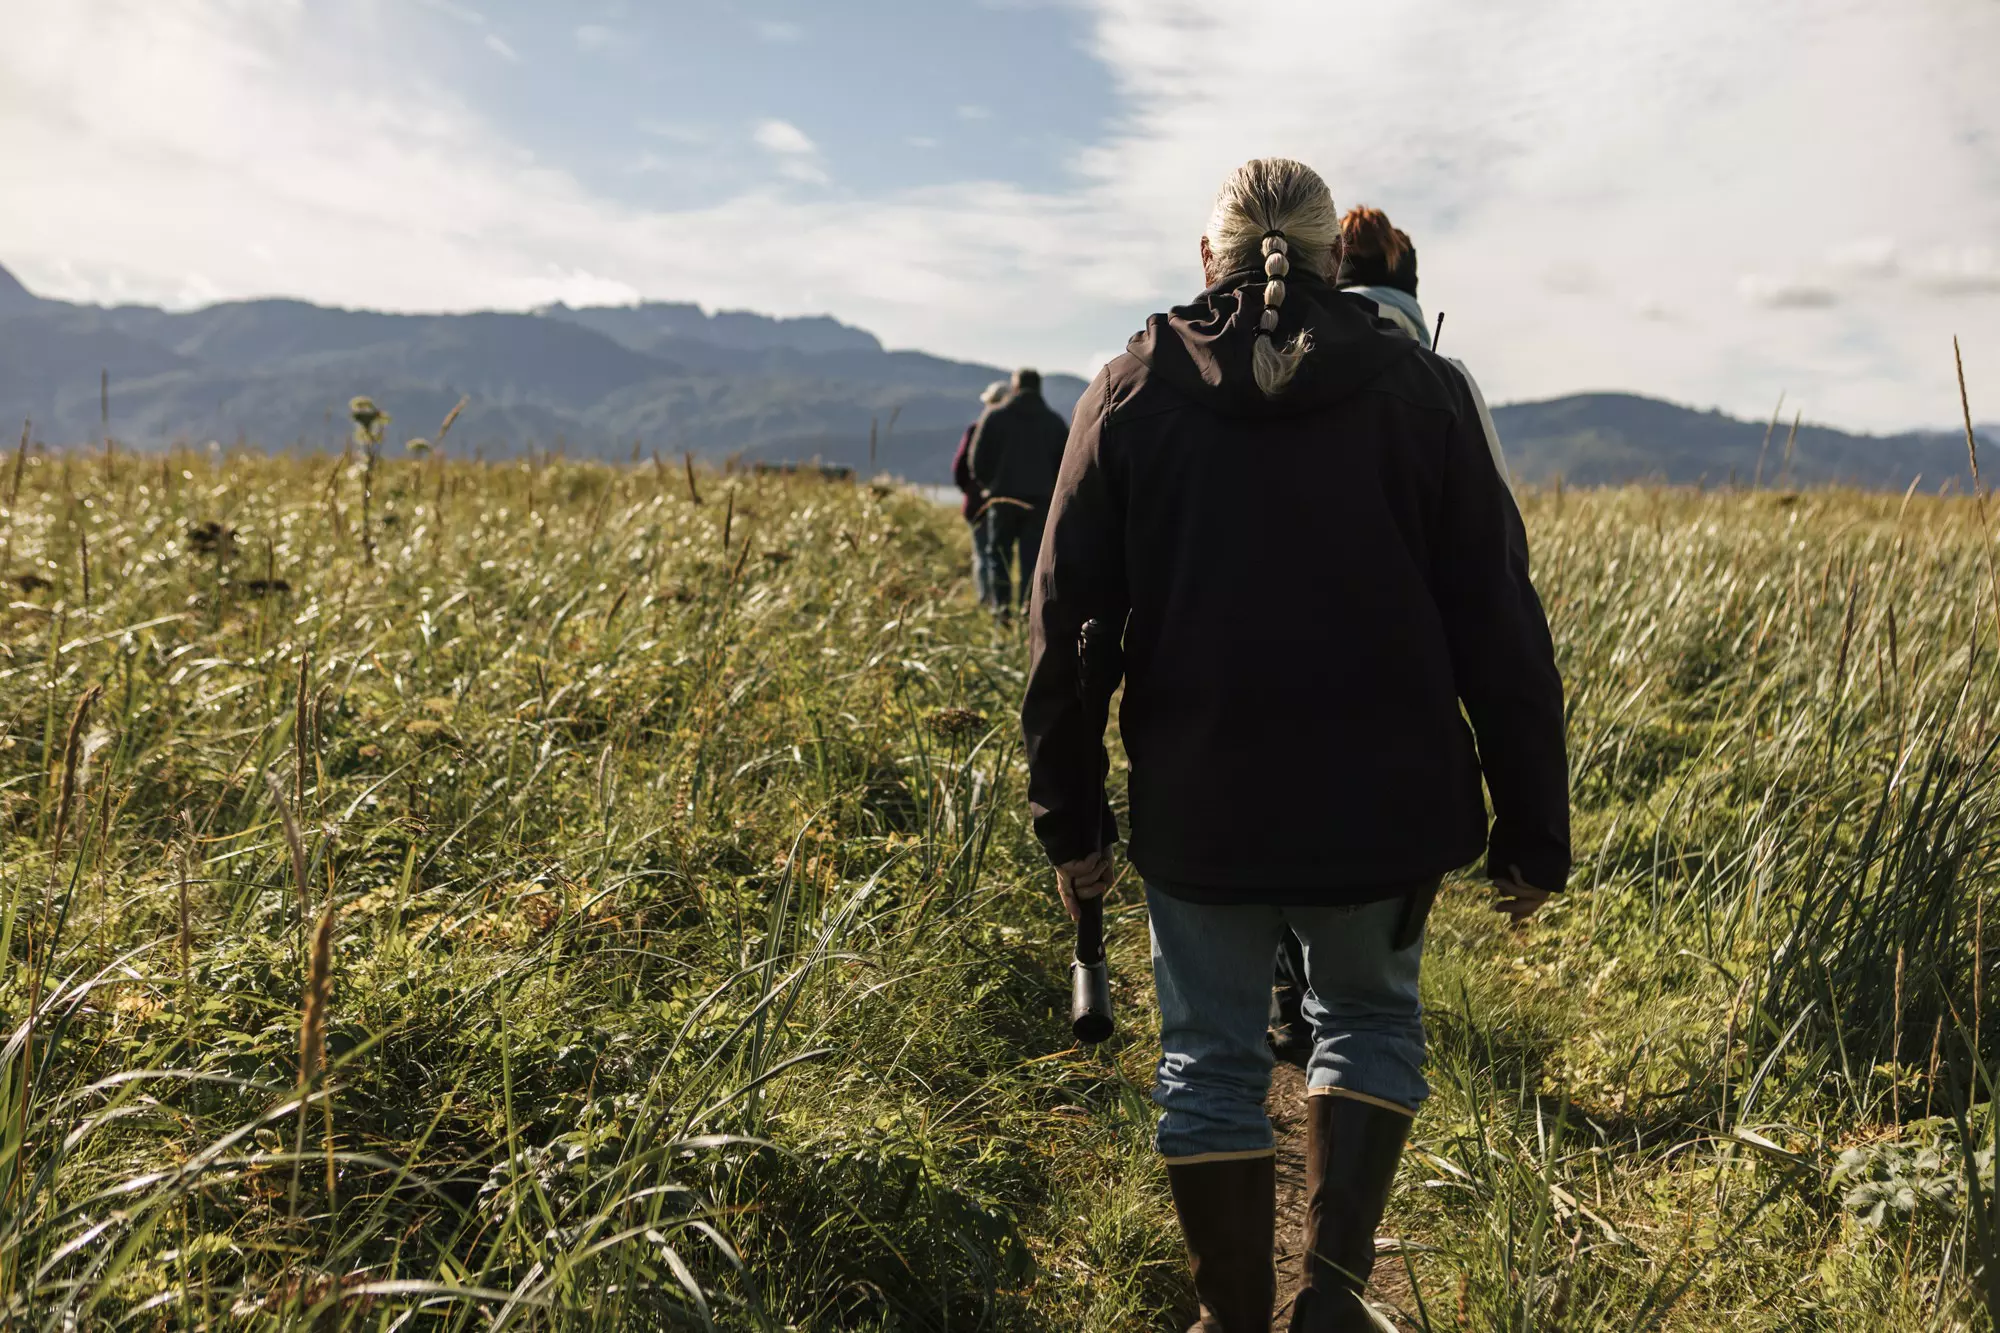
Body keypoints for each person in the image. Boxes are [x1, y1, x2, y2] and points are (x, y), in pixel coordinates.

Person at [1022, 159, 1570, 1332]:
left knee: (1209, 1060)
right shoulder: (1418, 394)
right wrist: (1531, 835)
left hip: (1198, 805)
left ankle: (1230, 1318)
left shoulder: (1126, 393)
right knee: (1366, 1021)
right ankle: (1327, 1296)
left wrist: (1070, 821)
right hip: (1381, 811)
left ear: (1204, 258)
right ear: (1334, 259)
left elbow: (1068, 634)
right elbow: (1499, 626)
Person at [1267, 203, 1512, 1067]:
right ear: (1412, 284)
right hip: (1397, 682)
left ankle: (1287, 989)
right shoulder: (1440, 378)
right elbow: (1491, 547)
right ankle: (1350, 1011)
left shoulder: (1278, 358)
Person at [969, 368, 1068, 613]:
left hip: (1001, 499)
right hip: (1040, 503)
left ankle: (1001, 613)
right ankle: (1029, 613)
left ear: (1015, 387)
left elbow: (977, 461)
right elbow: (1066, 466)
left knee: (998, 558)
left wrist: (991, 486)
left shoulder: (995, 417)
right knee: (1033, 562)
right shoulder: (1054, 422)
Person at [952, 381, 1011, 603]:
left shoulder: (975, 429)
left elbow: (960, 467)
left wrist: (971, 490)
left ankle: (987, 600)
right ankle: (999, 602)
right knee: (999, 556)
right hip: (1004, 503)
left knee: (983, 554)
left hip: (976, 503)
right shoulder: (1013, 435)